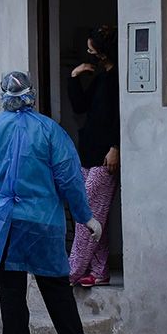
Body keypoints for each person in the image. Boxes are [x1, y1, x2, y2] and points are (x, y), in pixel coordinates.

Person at [0, 72, 107, 334]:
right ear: (32, 94)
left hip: (0, 223)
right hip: (41, 222)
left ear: (2, 96)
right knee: (56, 288)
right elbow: (70, 179)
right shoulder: (50, 130)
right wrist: (85, 217)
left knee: (11, 292)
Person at [68, 25, 120, 287]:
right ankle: (99, 272)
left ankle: (72, 272)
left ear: (103, 51)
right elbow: (80, 106)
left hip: (104, 157)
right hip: (88, 154)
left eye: (92, 49)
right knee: (95, 215)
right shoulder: (101, 79)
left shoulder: (118, 80)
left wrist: (115, 146)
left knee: (85, 211)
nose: (89, 54)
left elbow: (121, 117)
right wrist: (75, 76)